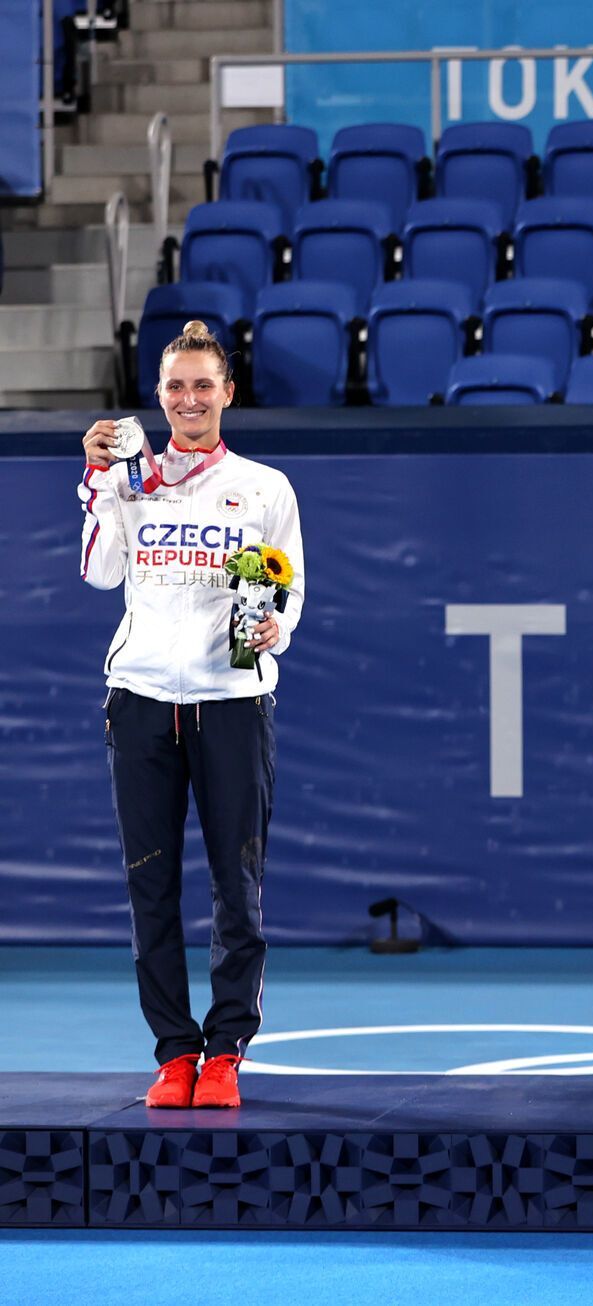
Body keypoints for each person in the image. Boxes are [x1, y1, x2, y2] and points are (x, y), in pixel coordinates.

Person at [78, 321, 305, 1109]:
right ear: (161, 397)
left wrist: (279, 627)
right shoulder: (131, 480)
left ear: (228, 393)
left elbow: (289, 590)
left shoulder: (265, 487)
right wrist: (98, 479)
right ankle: (175, 1052)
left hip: (232, 705)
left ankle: (226, 1051)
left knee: (236, 889)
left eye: (204, 385)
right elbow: (99, 573)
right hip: (140, 701)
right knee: (151, 888)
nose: (189, 399)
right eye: (175, 386)